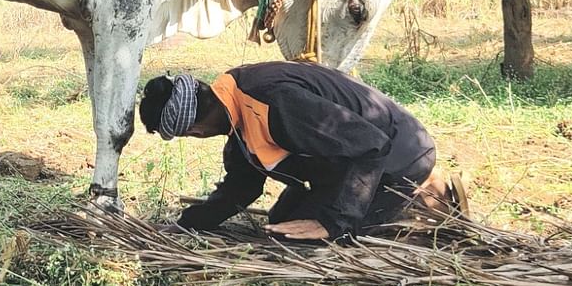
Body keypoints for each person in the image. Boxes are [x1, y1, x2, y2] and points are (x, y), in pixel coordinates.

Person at [138, 61, 466, 240]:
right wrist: (187, 224)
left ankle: (428, 200)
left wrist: (335, 222)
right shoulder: (236, 105)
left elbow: (371, 145)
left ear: (193, 130)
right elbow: (243, 184)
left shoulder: (274, 103)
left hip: (397, 155)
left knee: (331, 240)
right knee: (283, 223)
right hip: (349, 163)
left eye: (192, 135)